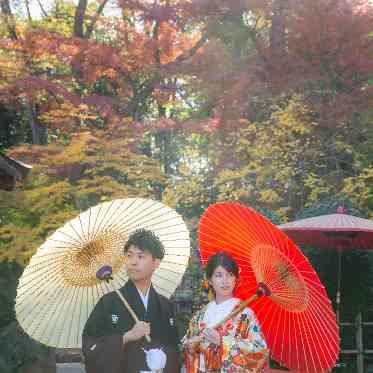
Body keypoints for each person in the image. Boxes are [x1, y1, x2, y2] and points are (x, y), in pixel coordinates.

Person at [82, 229, 179, 373]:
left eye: (140, 256)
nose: (133, 262)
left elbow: (174, 349)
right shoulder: (108, 303)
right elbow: (89, 346)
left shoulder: (165, 305)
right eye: (129, 256)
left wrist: (163, 360)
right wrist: (125, 338)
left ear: (156, 263)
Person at [181, 252, 268, 373]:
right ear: (210, 280)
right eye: (219, 275)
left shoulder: (245, 315)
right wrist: (189, 346)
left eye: (230, 275)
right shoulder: (199, 316)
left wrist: (222, 341)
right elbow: (186, 351)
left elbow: (259, 353)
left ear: (236, 279)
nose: (225, 281)